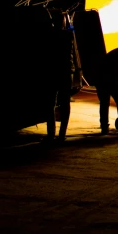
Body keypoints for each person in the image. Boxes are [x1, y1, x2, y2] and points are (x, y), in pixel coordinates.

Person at [44, 9, 76, 144]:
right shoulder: (68, 35)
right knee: (65, 104)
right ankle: (62, 134)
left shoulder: (48, 34)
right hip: (66, 72)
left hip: (52, 72)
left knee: (50, 104)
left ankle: (51, 133)